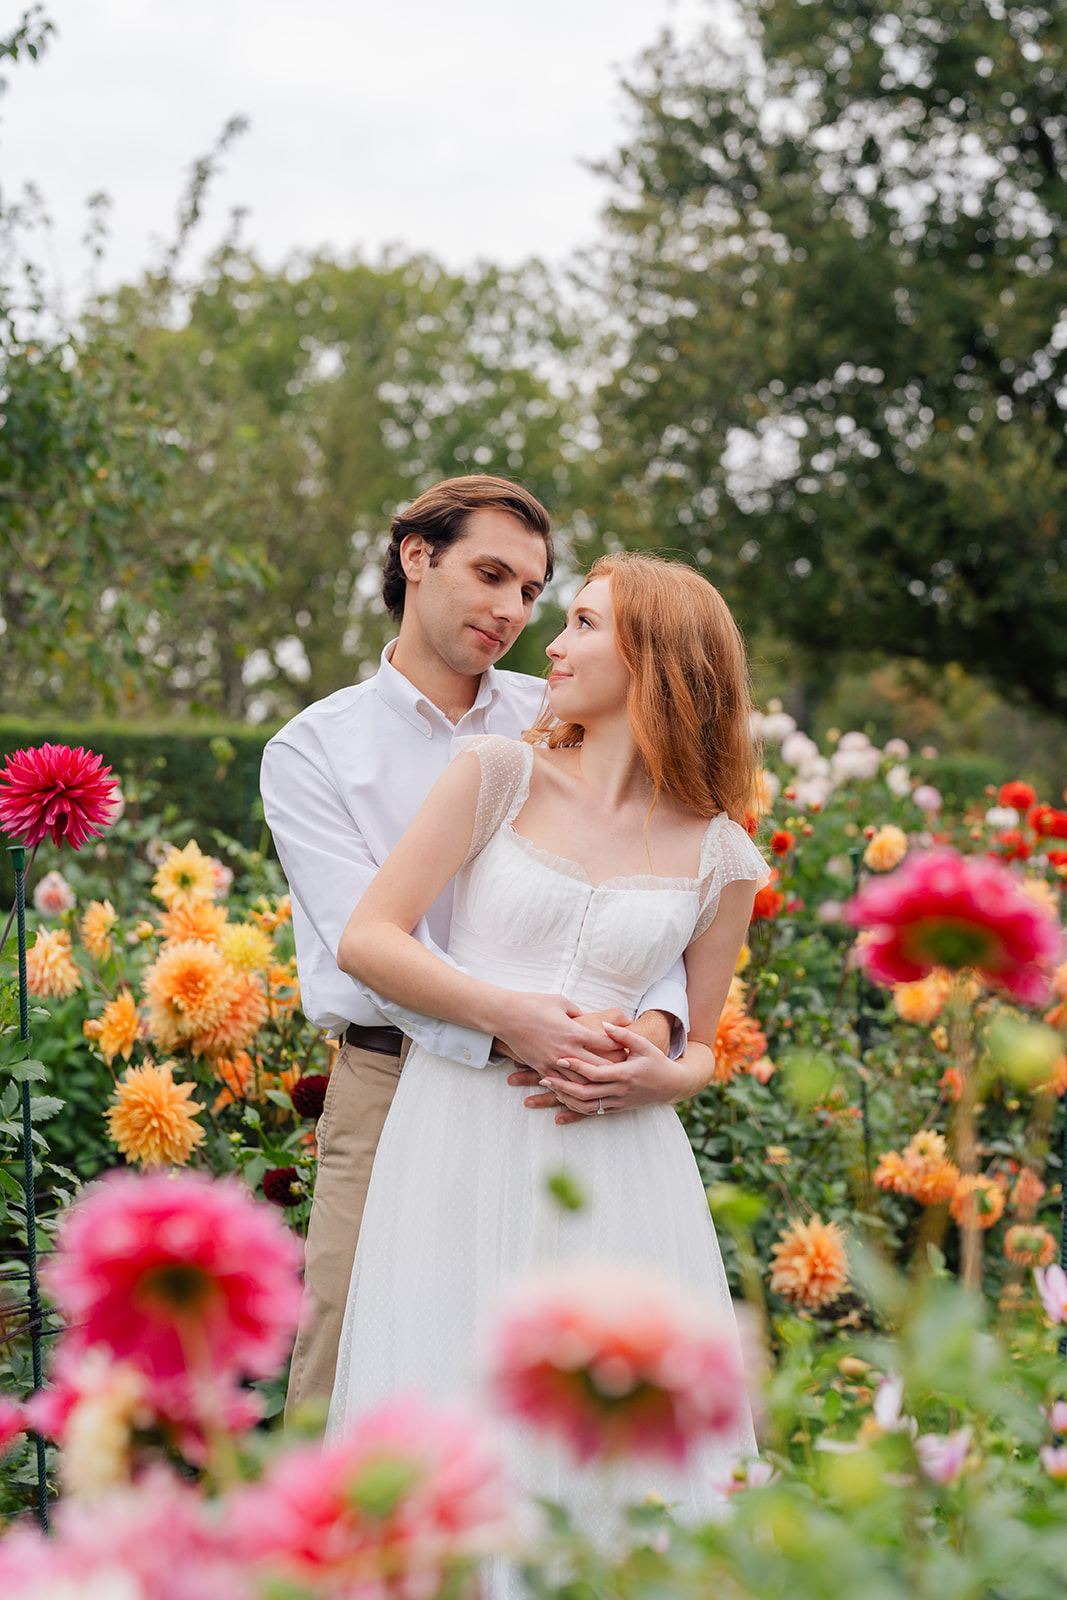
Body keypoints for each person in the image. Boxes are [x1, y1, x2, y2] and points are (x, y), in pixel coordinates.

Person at [327, 551, 769, 1570]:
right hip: (458, 1134)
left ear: (655, 658)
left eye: (578, 623)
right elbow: (371, 939)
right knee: (451, 1403)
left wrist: (667, 1074)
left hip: (622, 1165)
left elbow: (698, 1043)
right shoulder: (495, 772)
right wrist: (507, 1016)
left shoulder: (720, 854)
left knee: (613, 1442)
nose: (551, 644)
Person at [260, 478, 691, 1419]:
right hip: (390, 1085)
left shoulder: (568, 710)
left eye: (533, 592)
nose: (513, 610)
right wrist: (512, 1023)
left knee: (555, 1381)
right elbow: (364, 942)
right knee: (346, 1378)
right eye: (490, 573)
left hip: (566, 1096)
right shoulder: (314, 751)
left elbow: (650, 890)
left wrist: (654, 1038)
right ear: (417, 557)